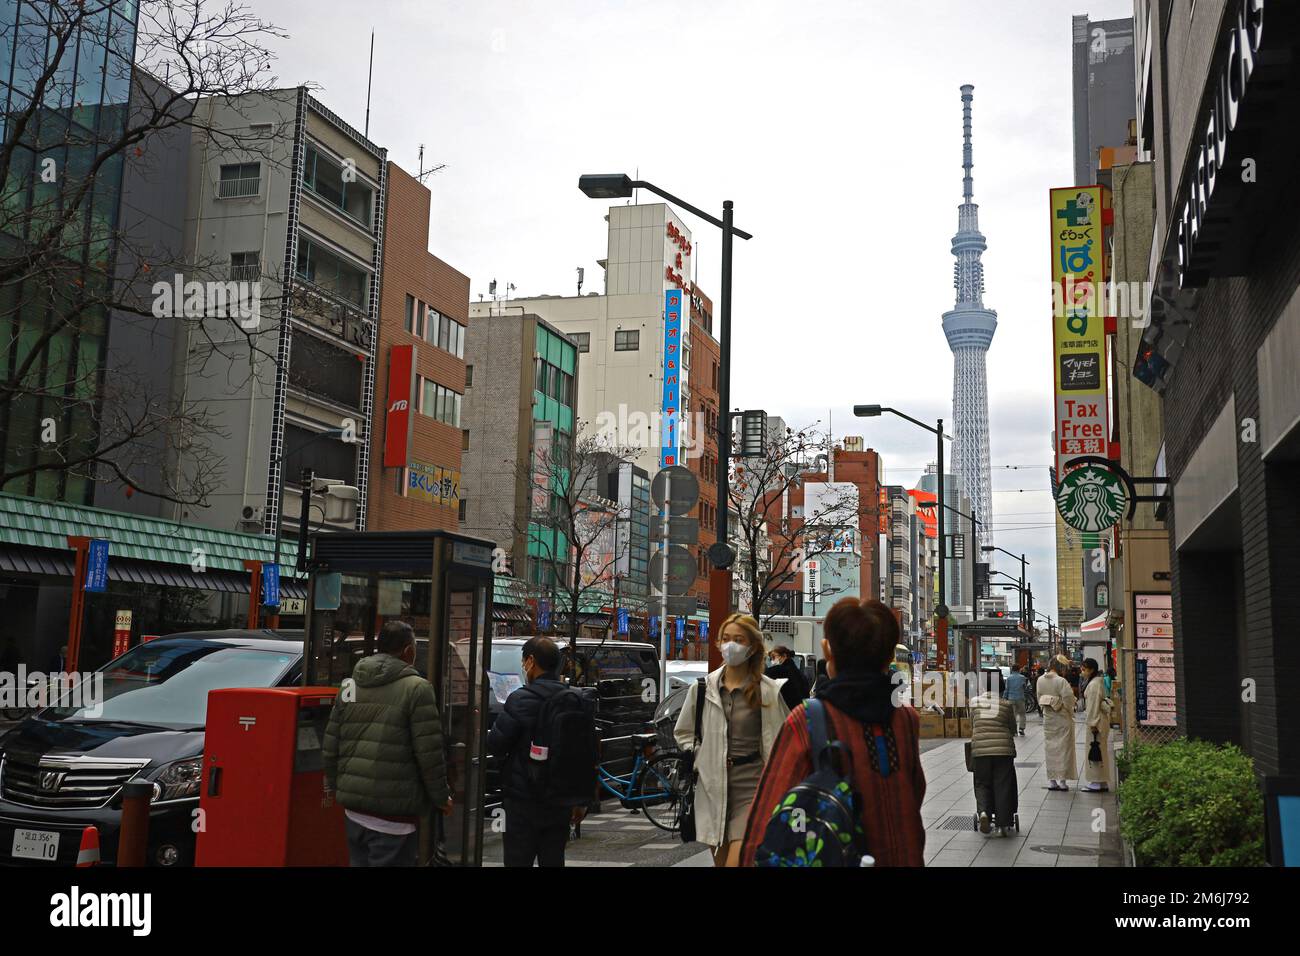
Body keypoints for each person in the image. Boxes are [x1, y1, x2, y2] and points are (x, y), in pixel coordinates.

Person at [739, 598, 927, 867]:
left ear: (828, 651)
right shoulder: (905, 719)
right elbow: (915, 793)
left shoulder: (808, 719)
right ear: (888, 657)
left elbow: (766, 814)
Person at [323, 620, 452, 867]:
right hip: (394, 816)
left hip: (354, 809)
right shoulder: (417, 689)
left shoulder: (351, 684)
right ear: (408, 651)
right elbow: (429, 754)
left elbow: (331, 744)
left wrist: (338, 785)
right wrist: (440, 796)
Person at [674, 613, 789, 867]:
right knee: (722, 861)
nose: (730, 645)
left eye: (738, 639)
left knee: (737, 861)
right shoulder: (703, 688)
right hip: (713, 785)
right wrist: (699, 756)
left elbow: (784, 739)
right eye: (726, 639)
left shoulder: (767, 690)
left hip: (754, 785)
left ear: (752, 647)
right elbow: (684, 732)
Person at [486, 636, 591, 867]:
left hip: (523, 800)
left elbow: (496, 744)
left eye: (524, 661)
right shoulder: (575, 699)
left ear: (531, 661)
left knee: (518, 859)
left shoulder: (521, 699)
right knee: (554, 859)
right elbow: (584, 754)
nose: (524, 666)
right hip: (560, 799)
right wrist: (581, 800)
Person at [970, 684, 1018, 836]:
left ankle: (984, 812)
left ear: (983, 687)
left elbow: (973, 724)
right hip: (1003, 751)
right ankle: (1002, 825)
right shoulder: (1006, 704)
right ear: (1002, 688)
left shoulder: (975, 703)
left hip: (980, 751)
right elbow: (1012, 728)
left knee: (982, 783)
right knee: (1003, 785)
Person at [1037, 655, 1078, 791]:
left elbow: (1039, 698)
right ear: (1060, 667)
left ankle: (1052, 780)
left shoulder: (1040, 680)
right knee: (1064, 749)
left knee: (1050, 749)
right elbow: (1068, 699)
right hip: (1062, 718)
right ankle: (1062, 781)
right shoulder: (1061, 681)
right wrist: (1068, 710)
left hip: (1048, 719)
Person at [1080, 657, 1113, 792]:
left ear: (1091, 669)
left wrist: (1092, 722)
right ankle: (1102, 781)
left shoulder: (1093, 684)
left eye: (1084, 669)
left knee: (1095, 750)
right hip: (1101, 720)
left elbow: (1093, 705)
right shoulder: (1096, 682)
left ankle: (1096, 781)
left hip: (1096, 723)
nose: (1082, 671)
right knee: (1101, 751)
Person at [765, 645, 809, 711]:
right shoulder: (798, 673)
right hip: (801, 711)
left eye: (774, 657)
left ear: (784, 656)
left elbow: (765, 674)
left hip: (788, 711)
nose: (772, 661)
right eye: (771, 658)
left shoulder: (781, 670)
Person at [1003, 663, 1028, 735]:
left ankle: (1014, 731)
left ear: (1012, 669)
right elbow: (1024, 687)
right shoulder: (1022, 677)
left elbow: (1006, 689)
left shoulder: (1009, 678)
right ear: (1019, 669)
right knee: (1022, 714)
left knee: (1013, 715)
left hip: (1011, 698)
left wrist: (1004, 698)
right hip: (1020, 698)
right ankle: (1021, 729)